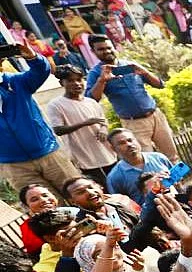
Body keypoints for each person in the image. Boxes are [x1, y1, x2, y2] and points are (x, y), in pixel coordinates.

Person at [0, 42, 81, 196]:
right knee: (49, 212)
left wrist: (33, 57)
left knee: (78, 194)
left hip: (49, 153)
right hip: (13, 165)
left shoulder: (15, 81)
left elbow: (41, 70)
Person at [86, 35, 178, 161]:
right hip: (133, 123)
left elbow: (160, 84)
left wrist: (144, 72)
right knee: (147, 160)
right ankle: (159, 181)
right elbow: (91, 99)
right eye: (101, 49)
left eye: (109, 47)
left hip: (156, 116)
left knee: (172, 156)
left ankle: (179, 181)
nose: (107, 51)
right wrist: (102, 81)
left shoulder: (130, 65)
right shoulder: (95, 73)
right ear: (93, 52)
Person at [46, 64, 116, 186]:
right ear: (62, 83)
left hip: (108, 155)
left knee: (117, 185)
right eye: (70, 81)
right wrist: (84, 123)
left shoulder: (91, 102)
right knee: (103, 189)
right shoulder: (56, 105)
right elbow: (58, 130)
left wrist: (104, 130)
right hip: (86, 160)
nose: (76, 84)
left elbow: (103, 121)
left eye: (79, 80)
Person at [104, 128, 173, 206]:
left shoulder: (159, 158)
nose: (129, 144)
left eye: (130, 140)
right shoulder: (114, 177)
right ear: (113, 148)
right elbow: (120, 206)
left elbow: (178, 183)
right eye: (122, 143)